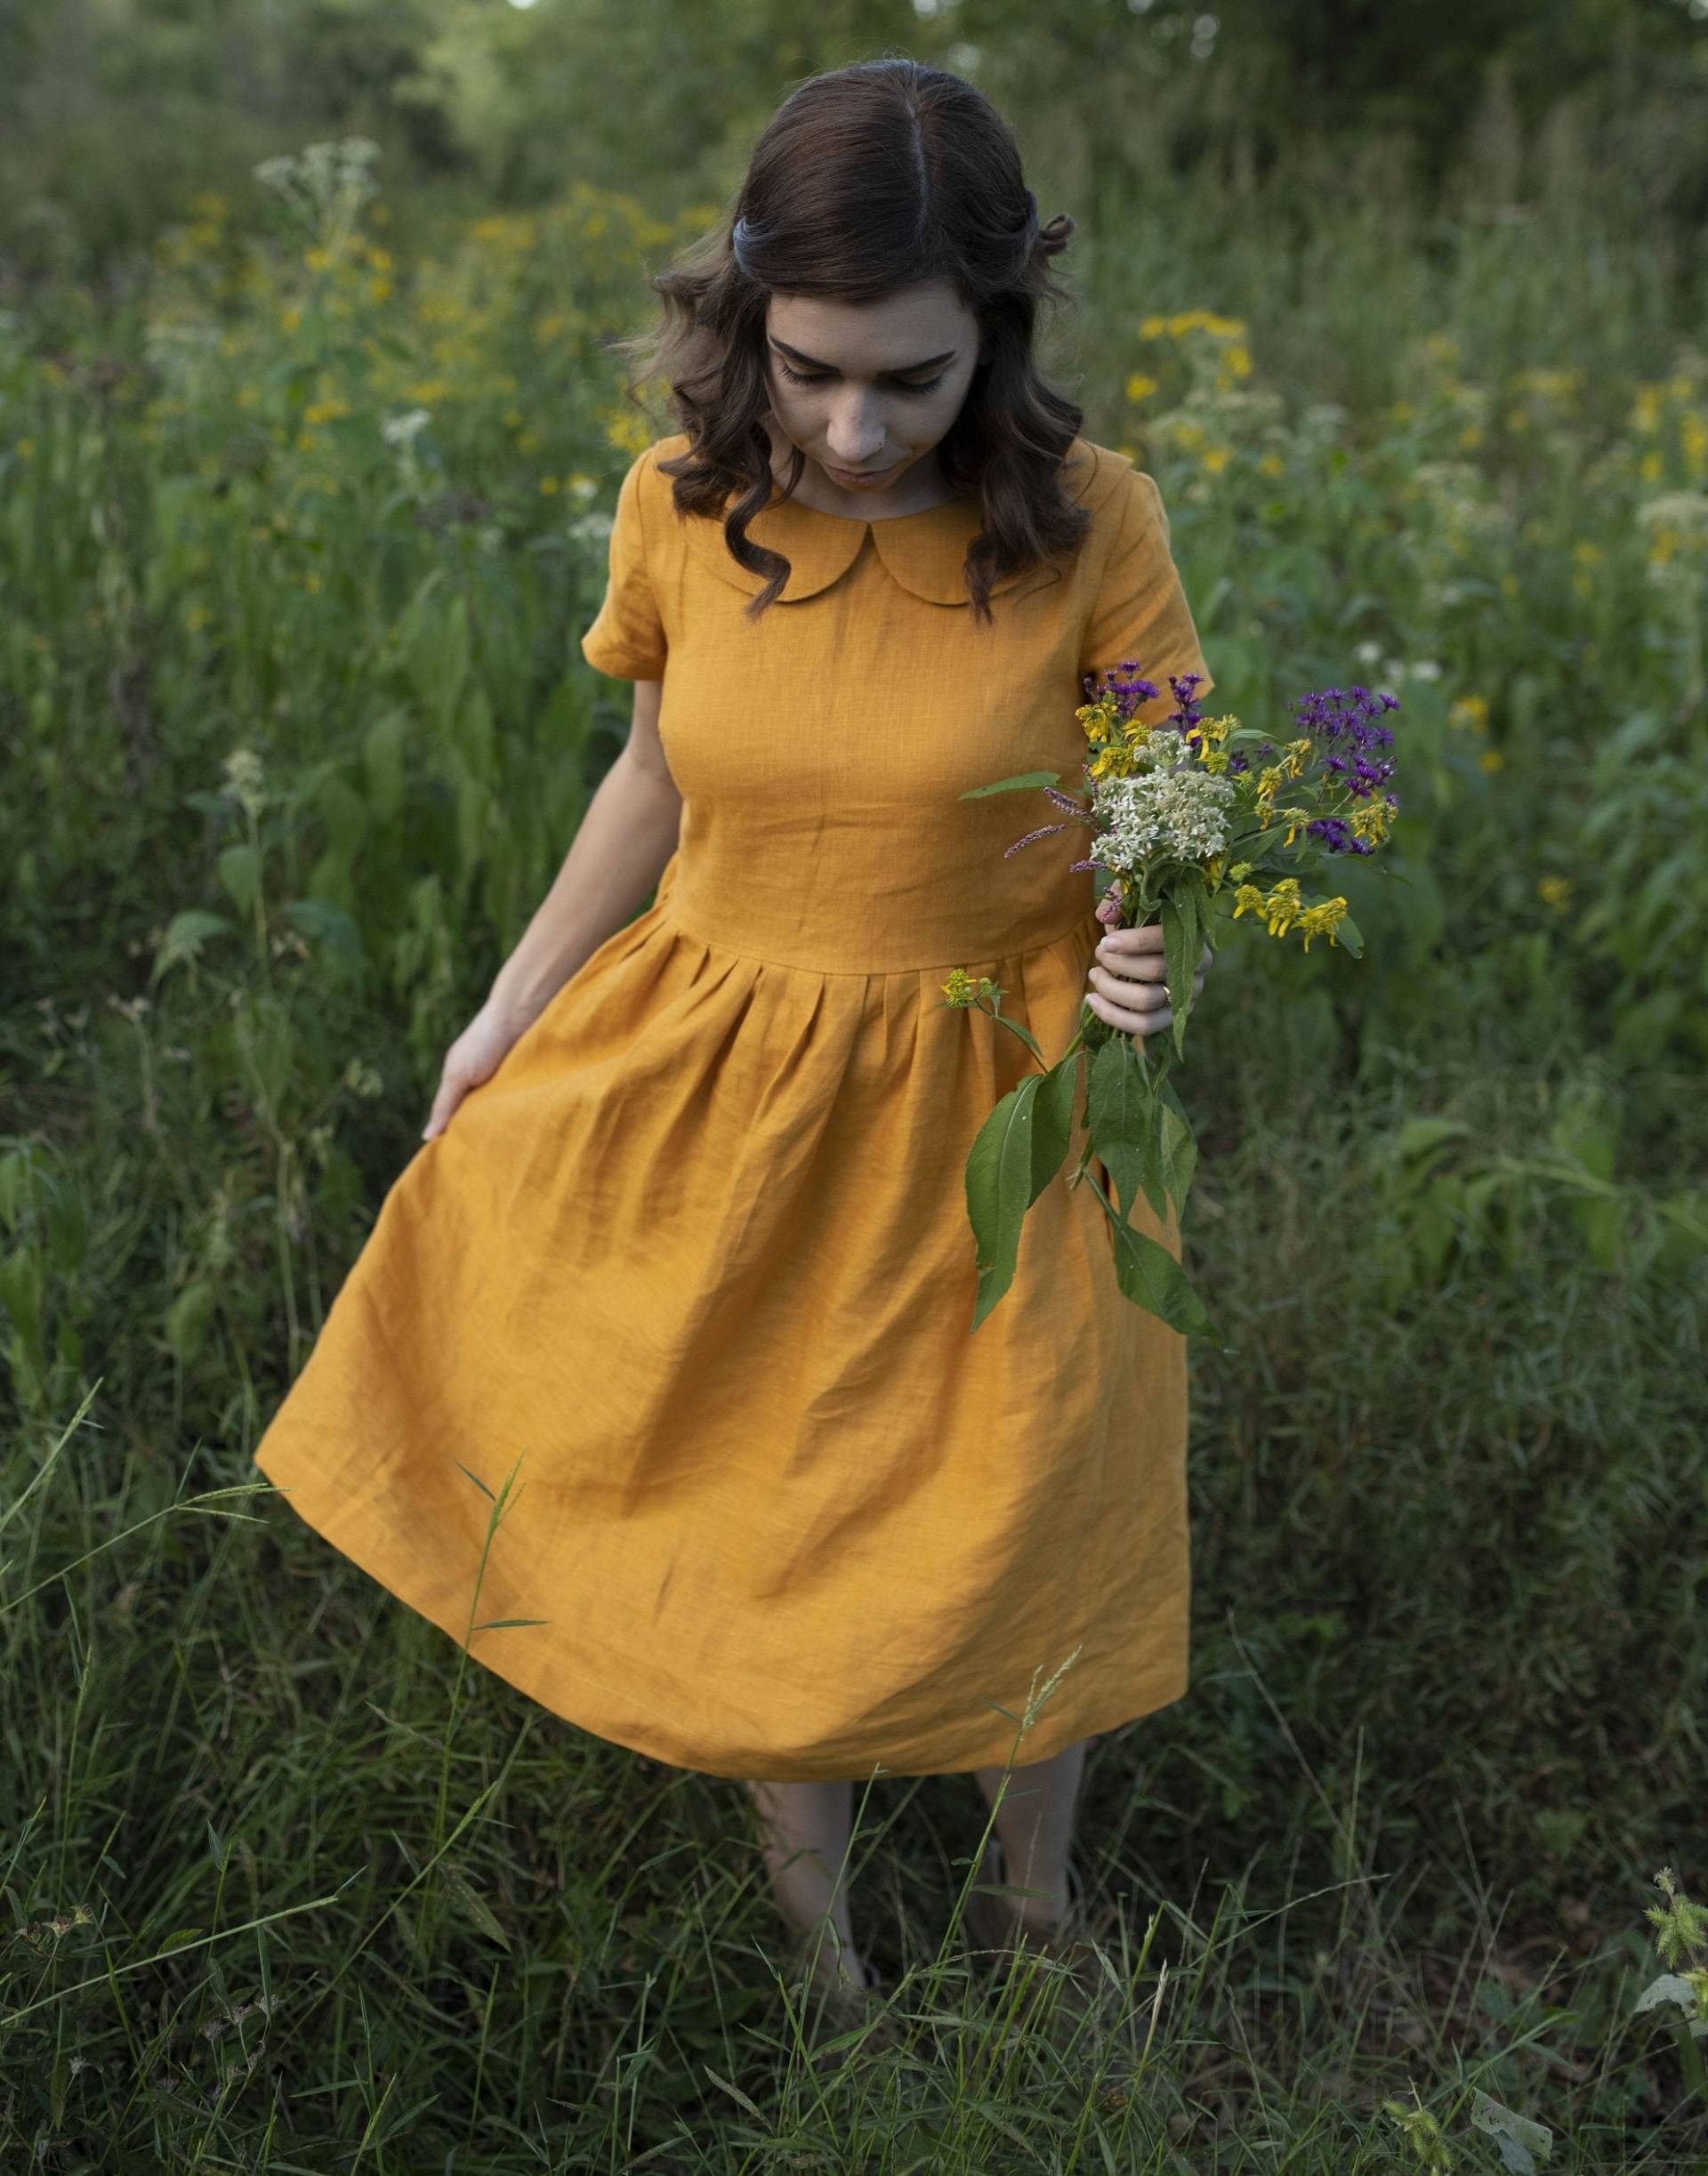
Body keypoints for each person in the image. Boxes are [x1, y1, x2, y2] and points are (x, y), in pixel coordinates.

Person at [250, 56, 1217, 2030]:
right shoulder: (684, 503)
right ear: (745, 318)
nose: (856, 428)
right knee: (793, 1505)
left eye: (915, 380)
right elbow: (651, 775)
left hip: (1005, 1083)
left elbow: (1165, 796)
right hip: (736, 1074)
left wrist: (1144, 946)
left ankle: (1039, 1921)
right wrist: (504, 1005)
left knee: (1032, 1492)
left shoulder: (1091, 522)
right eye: (811, 369)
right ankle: (823, 1957)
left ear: (997, 335)